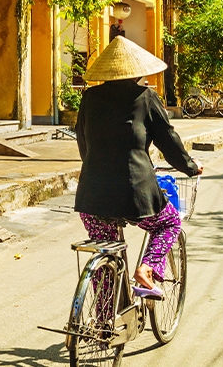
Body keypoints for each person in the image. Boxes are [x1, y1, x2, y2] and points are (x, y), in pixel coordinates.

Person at [74, 36, 202, 297]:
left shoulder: (89, 98)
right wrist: (191, 166)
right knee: (169, 223)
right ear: (136, 73)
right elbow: (168, 141)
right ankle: (148, 268)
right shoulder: (145, 97)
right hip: (135, 194)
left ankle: (103, 327)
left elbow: (83, 144)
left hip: (91, 194)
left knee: (107, 257)